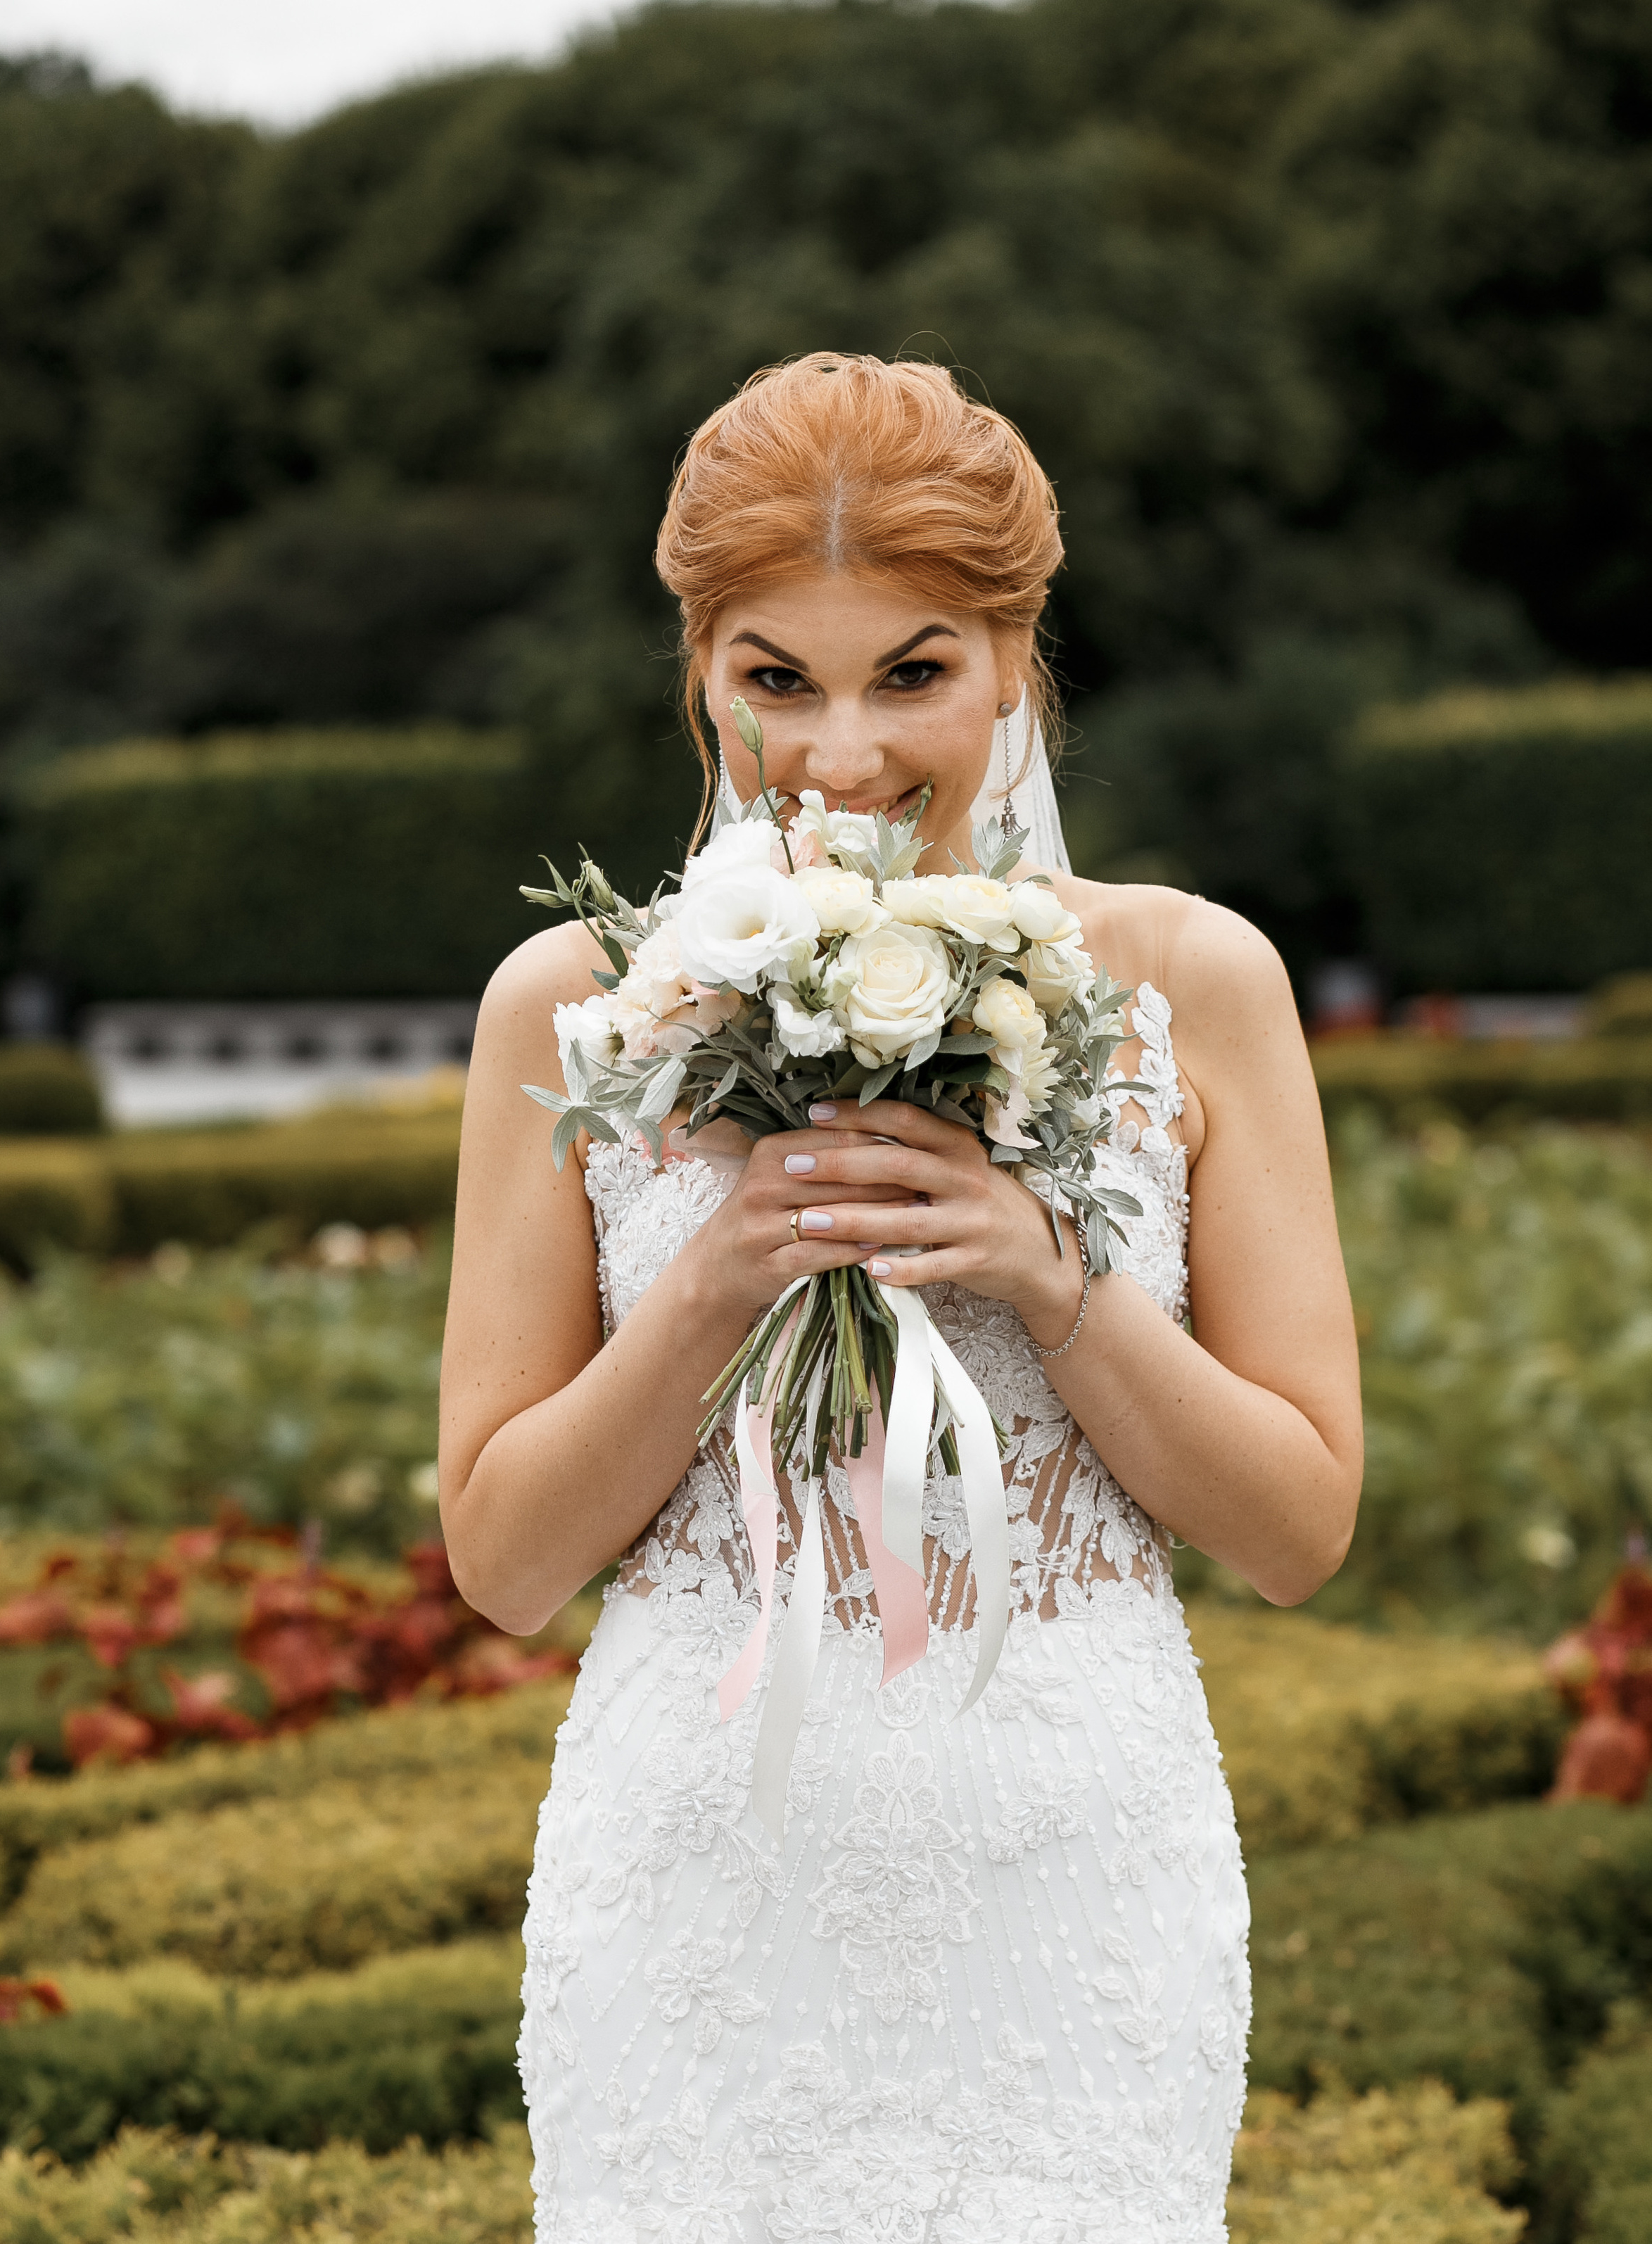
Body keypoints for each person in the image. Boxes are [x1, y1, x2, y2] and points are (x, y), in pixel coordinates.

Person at [438, 354, 1362, 2241]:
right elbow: (505, 1562)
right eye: (777, 677)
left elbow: (1299, 1526)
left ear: (1014, 659)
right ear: (700, 665)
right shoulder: (571, 1009)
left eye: (913, 672)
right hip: (695, 1899)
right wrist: (716, 1282)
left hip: (1072, 1893)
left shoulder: (1202, 981)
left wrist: (1052, 1279)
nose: (840, 751)